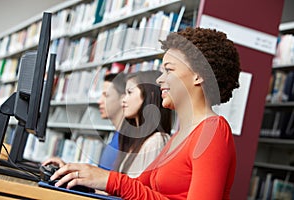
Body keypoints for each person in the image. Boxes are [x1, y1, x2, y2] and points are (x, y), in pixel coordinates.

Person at [50, 27, 240, 199]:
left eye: (169, 70)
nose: (159, 80)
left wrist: (111, 180)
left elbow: (127, 187)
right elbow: (138, 188)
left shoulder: (213, 131)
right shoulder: (180, 136)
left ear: (198, 75)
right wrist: (78, 175)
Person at [42, 73, 126, 170]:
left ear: (123, 99)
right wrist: (68, 169)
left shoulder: (126, 140)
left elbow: (106, 180)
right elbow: (102, 176)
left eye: (106, 95)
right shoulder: (117, 136)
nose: (99, 101)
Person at [113, 70, 172, 178]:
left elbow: (145, 190)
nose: (123, 100)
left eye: (130, 92)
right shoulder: (134, 142)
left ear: (149, 95)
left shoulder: (156, 141)